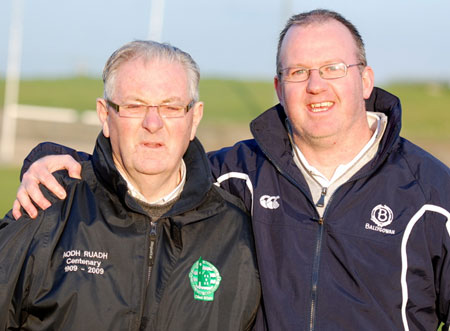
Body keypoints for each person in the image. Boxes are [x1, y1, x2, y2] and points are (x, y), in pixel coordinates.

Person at [11, 9, 450, 330]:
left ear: (366, 79)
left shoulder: (432, 193)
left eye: (333, 68)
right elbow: (147, 167)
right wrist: (52, 163)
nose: (316, 86)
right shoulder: (239, 174)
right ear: (279, 88)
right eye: (298, 72)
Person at [0, 40, 261, 330]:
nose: (153, 123)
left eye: (171, 106)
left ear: (194, 117)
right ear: (105, 115)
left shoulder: (237, 234)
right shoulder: (48, 208)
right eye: (134, 106)